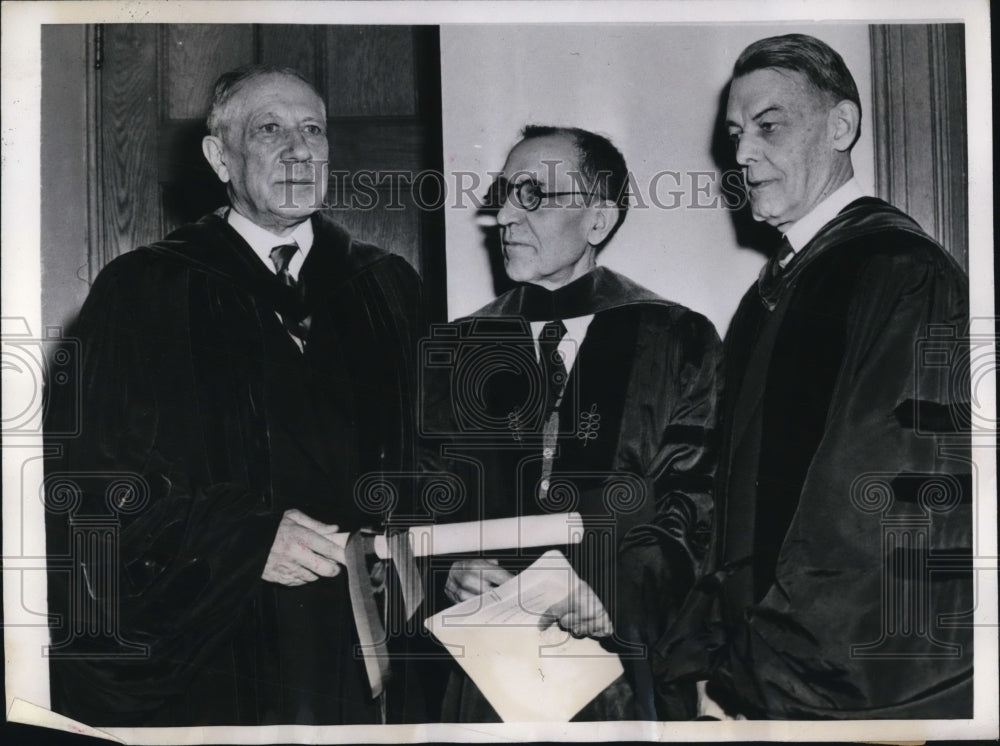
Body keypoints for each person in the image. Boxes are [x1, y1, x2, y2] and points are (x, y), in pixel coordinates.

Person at [44, 65, 423, 726]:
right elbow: (89, 480)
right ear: (221, 157)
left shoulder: (386, 287)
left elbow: (435, 456)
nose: (300, 149)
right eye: (269, 130)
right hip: (222, 635)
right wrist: (244, 542)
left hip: (366, 636)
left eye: (313, 130)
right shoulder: (145, 292)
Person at [652, 34, 972, 719]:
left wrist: (771, 666)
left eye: (769, 127)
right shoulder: (774, 291)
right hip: (763, 673)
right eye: (736, 134)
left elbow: (884, 503)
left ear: (842, 126)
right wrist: (717, 656)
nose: (741, 154)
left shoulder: (898, 274)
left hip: (846, 682)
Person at [422, 125, 722, 720]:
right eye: (504, 193)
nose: (504, 215)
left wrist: (613, 592)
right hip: (488, 671)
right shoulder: (457, 349)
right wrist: (446, 568)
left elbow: (697, 499)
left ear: (597, 220)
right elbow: (427, 493)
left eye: (532, 194)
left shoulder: (676, 339)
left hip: (626, 660)